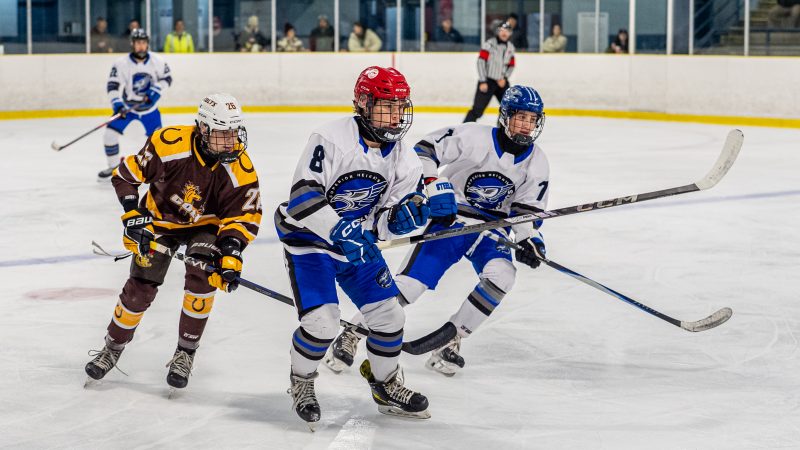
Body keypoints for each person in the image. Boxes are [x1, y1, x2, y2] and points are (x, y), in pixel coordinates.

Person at [326, 85, 549, 377]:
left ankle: (451, 340)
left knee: (503, 275)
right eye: (521, 118)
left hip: (492, 230)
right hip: (453, 221)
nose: (526, 126)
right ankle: (352, 332)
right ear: (505, 117)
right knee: (410, 286)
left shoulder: (537, 161)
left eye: (532, 120)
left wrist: (529, 238)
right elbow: (424, 150)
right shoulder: (472, 136)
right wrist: (435, 185)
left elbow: (527, 211)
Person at [274, 66, 441, 425]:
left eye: (400, 107)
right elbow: (303, 197)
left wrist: (399, 220)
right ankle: (302, 381)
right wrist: (340, 229)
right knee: (322, 323)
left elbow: (381, 222)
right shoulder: (331, 138)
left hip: (356, 245)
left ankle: (385, 384)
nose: (396, 115)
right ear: (363, 103)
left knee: (390, 315)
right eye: (387, 106)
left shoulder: (405, 158)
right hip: (310, 240)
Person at [84, 93, 262, 391]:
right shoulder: (169, 144)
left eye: (234, 132)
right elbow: (125, 177)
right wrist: (133, 215)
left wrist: (231, 251)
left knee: (202, 279)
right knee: (140, 290)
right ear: (203, 129)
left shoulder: (240, 166)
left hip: (206, 227)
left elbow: (243, 215)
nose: (231, 142)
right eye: (223, 134)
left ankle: (185, 353)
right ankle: (112, 348)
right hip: (159, 222)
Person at [100, 29, 172, 180]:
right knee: (109, 135)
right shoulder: (121, 63)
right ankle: (113, 166)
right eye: (138, 43)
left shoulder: (158, 61)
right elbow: (113, 85)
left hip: (150, 110)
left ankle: (159, 169)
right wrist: (118, 104)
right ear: (132, 44)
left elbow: (167, 78)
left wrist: (156, 91)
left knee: (158, 142)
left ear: (147, 44)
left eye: (143, 43)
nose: (141, 46)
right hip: (128, 108)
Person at [463, 22, 515, 123]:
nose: (504, 33)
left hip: (502, 82)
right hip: (487, 81)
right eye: (502, 31)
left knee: (509, 108)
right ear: (498, 32)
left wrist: (505, 78)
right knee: (477, 110)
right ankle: (463, 129)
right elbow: (481, 62)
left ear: (510, 33)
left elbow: (511, 65)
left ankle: (502, 129)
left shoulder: (510, 47)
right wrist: (483, 81)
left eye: (507, 31)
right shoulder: (489, 44)